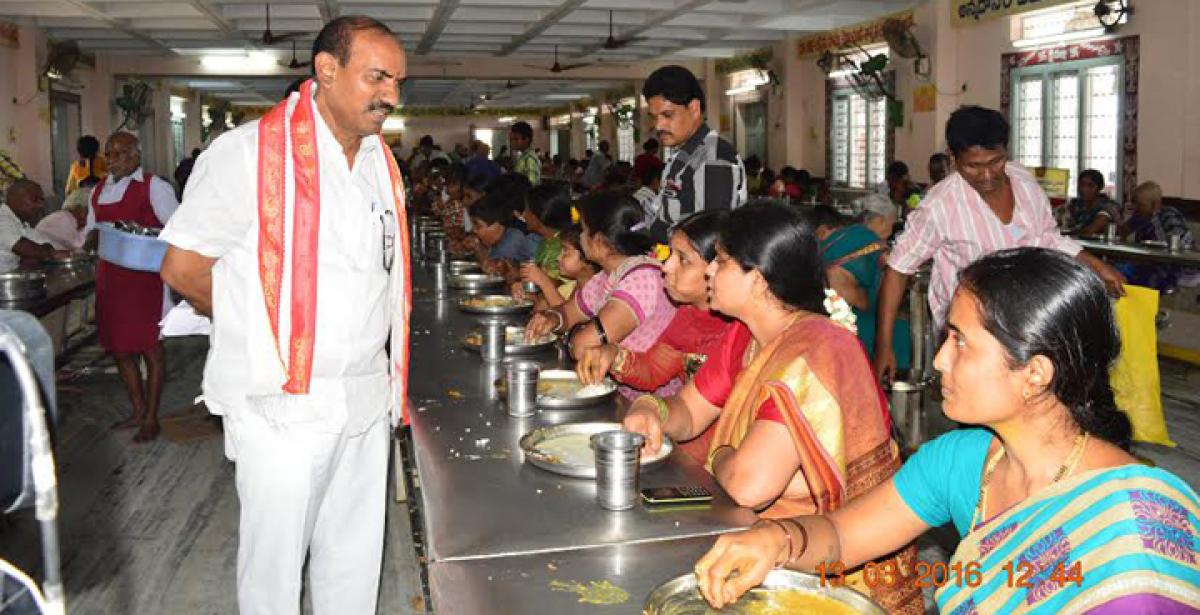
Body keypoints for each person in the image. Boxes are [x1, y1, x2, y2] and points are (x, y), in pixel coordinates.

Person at [694, 247, 1200, 613]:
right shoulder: (962, 460)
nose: (939, 359)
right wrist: (775, 540)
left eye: (961, 342)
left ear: (1035, 373)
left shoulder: (1133, 531)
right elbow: (841, 537)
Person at [158, 16, 411, 615]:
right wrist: (259, 325)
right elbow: (182, 270)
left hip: (364, 399)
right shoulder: (248, 154)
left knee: (353, 568)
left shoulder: (380, 161)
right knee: (272, 579)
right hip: (283, 407)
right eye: (377, 77)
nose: (392, 96)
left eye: (398, 81)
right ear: (326, 70)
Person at [623, 202, 922, 612]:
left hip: (815, 566)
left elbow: (748, 486)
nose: (709, 271)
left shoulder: (814, 349)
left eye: (722, 262)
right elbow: (689, 413)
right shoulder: (744, 336)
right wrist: (649, 409)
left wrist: (723, 453)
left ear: (760, 280)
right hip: (752, 538)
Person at [874, 105, 1126, 382]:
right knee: (979, 413)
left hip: (1026, 325)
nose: (987, 176)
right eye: (973, 165)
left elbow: (1045, 235)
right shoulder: (940, 206)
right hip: (970, 336)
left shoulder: (1024, 182)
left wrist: (1094, 264)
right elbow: (898, 270)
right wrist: (884, 345)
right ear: (953, 157)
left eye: (995, 161)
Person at [577, 210, 734, 462]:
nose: (665, 266)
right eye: (670, 254)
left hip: (720, 456)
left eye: (683, 259)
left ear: (721, 268)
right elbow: (654, 369)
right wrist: (613, 354)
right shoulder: (688, 315)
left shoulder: (738, 329)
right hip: (688, 443)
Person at [525, 191, 677, 397]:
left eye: (583, 230)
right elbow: (569, 312)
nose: (579, 236)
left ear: (598, 241)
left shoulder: (642, 278)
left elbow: (583, 347)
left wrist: (568, 331)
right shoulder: (608, 276)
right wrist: (552, 318)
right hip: (618, 390)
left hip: (646, 404)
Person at [87, 132, 178, 442]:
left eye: (121, 153)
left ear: (136, 156)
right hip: (110, 279)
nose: (113, 160)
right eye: (109, 154)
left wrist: (149, 237)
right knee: (120, 348)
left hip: (144, 280)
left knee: (150, 348)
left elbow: (178, 229)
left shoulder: (154, 187)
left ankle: (151, 417)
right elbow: (91, 231)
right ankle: (137, 408)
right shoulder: (98, 190)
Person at [644, 65, 746, 230]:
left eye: (667, 115)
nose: (658, 125)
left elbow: (711, 236)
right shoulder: (686, 154)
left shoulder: (713, 159)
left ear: (693, 108)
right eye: (654, 117)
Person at [820, 194, 911, 371]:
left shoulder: (844, 234)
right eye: (891, 224)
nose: (891, 230)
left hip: (821, 309)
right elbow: (874, 298)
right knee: (903, 333)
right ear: (880, 220)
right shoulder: (873, 245)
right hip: (845, 319)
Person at [1119, 180, 1197, 291]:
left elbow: (1176, 248)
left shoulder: (1169, 216)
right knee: (1120, 269)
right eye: (1134, 203)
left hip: (1181, 270)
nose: (1136, 207)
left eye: (1140, 204)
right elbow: (1122, 231)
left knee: (1132, 274)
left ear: (1155, 204)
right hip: (1154, 262)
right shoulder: (1141, 215)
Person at [466, 188, 538, 280]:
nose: (474, 230)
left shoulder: (513, 238)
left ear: (497, 225)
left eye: (478, 226)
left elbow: (491, 271)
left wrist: (479, 248)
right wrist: (478, 247)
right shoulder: (499, 238)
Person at [516, 181, 572, 299]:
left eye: (527, 210)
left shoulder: (562, 246)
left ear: (538, 216)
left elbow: (558, 285)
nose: (524, 215)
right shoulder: (546, 241)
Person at [0, 179, 67, 272]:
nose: (41, 205)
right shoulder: (2, 219)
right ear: (14, 198)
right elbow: (24, 247)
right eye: (34, 199)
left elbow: (45, 245)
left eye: (41, 200)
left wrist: (45, 252)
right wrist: (47, 253)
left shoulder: (22, 223)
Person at [1057, 168, 1122, 236]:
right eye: (1082, 184)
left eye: (1090, 186)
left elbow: (1089, 231)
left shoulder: (1109, 207)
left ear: (1100, 188)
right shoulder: (1074, 204)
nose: (1084, 189)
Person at [509, 121, 540, 186]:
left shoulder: (529, 159)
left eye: (516, 139)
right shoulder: (523, 156)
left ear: (526, 139)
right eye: (511, 139)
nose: (512, 142)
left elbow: (531, 184)